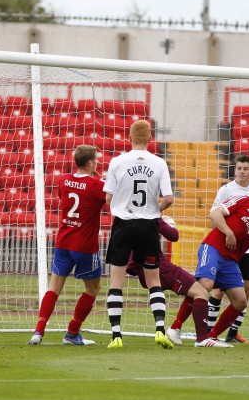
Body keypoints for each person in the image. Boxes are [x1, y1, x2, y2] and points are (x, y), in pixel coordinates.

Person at [103, 119, 175, 349]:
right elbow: (169, 199)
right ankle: (160, 330)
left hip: (124, 223)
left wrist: (122, 207)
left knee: (116, 281)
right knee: (154, 280)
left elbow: (108, 198)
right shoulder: (159, 163)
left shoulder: (117, 161)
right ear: (150, 138)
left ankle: (116, 335)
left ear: (130, 137)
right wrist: (155, 210)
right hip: (148, 226)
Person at [28, 144, 106, 346]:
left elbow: (66, 198)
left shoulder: (63, 180)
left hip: (63, 242)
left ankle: (38, 331)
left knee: (54, 288)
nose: (98, 162)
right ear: (90, 163)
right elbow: (111, 200)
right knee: (93, 288)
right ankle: (71, 333)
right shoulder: (97, 186)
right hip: (85, 247)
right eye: (96, 160)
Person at [196, 183, 249, 346]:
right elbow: (215, 214)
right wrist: (229, 233)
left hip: (232, 259)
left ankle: (213, 336)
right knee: (205, 287)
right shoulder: (245, 200)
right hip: (215, 247)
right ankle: (178, 327)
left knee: (241, 300)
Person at [200, 154, 249, 343]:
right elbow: (214, 214)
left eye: (245, 169)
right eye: (239, 168)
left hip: (247, 248)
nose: (242, 172)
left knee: (247, 288)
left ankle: (233, 332)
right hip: (227, 246)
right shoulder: (226, 190)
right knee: (218, 290)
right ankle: (209, 329)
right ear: (234, 170)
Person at [126, 216, 214, 346]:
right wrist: (171, 225)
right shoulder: (152, 216)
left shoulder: (128, 217)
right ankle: (201, 338)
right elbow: (174, 236)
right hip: (161, 269)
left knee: (197, 289)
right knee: (201, 292)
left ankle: (174, 328)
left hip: (144, 272)